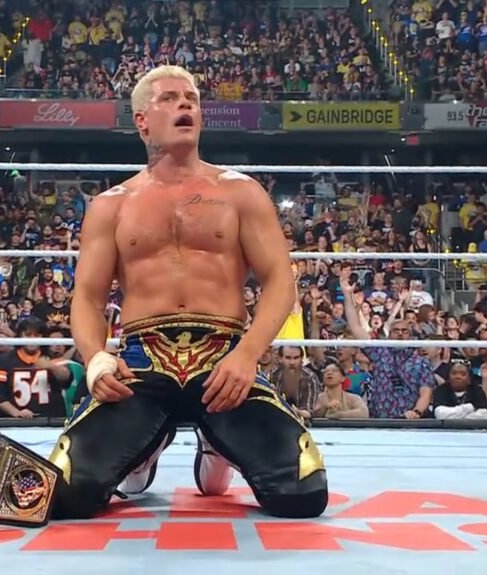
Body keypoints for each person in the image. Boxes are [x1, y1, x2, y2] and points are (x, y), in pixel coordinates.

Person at [52, 65, 327, 520]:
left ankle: (215, 443)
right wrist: (97, 358)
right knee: (65, 493)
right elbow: (88, 297)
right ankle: (148, 445)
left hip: (224, 358)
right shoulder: (111, 205)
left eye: (192, 99)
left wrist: (248, 354)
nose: (186, 105)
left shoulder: (241, 192)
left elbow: (280, 279)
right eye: (170, 98)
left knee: (302, 495)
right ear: (142, 119)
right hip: (142, 359)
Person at [0, 317, 72, 418]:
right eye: (28, 335)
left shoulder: (52, 357)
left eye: (36, 335)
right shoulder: (3, 361)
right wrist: (16, 413)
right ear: (20, 336)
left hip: (50, 420)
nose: (32, 339)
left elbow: (66, 379)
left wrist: (51, 366)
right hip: (15, 424)